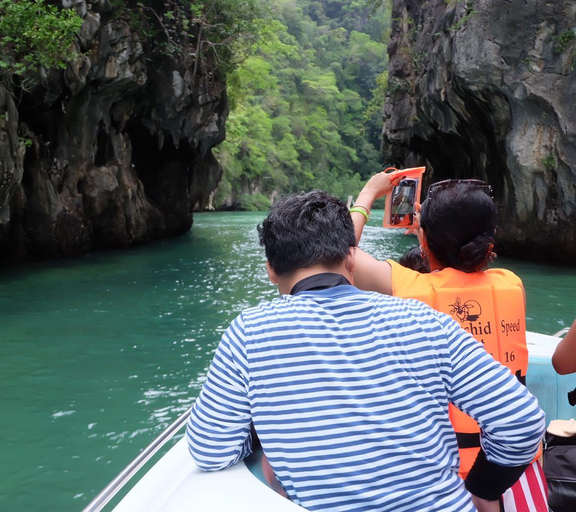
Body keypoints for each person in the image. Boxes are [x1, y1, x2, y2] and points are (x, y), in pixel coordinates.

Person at [186, 190, 545, 512]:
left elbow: (209, 449)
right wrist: (481, 489)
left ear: (270, 271)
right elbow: (522, 421)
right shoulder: (424, 320)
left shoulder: (249, 333)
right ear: (351, 259)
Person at [349, 173, 548, 510]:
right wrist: (430, 236)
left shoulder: (413, 290)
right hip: (516, 471)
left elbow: (339, 255)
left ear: (424, 240)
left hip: (448, 480)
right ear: (491, 238)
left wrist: (369, 193)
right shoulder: (511, 285)